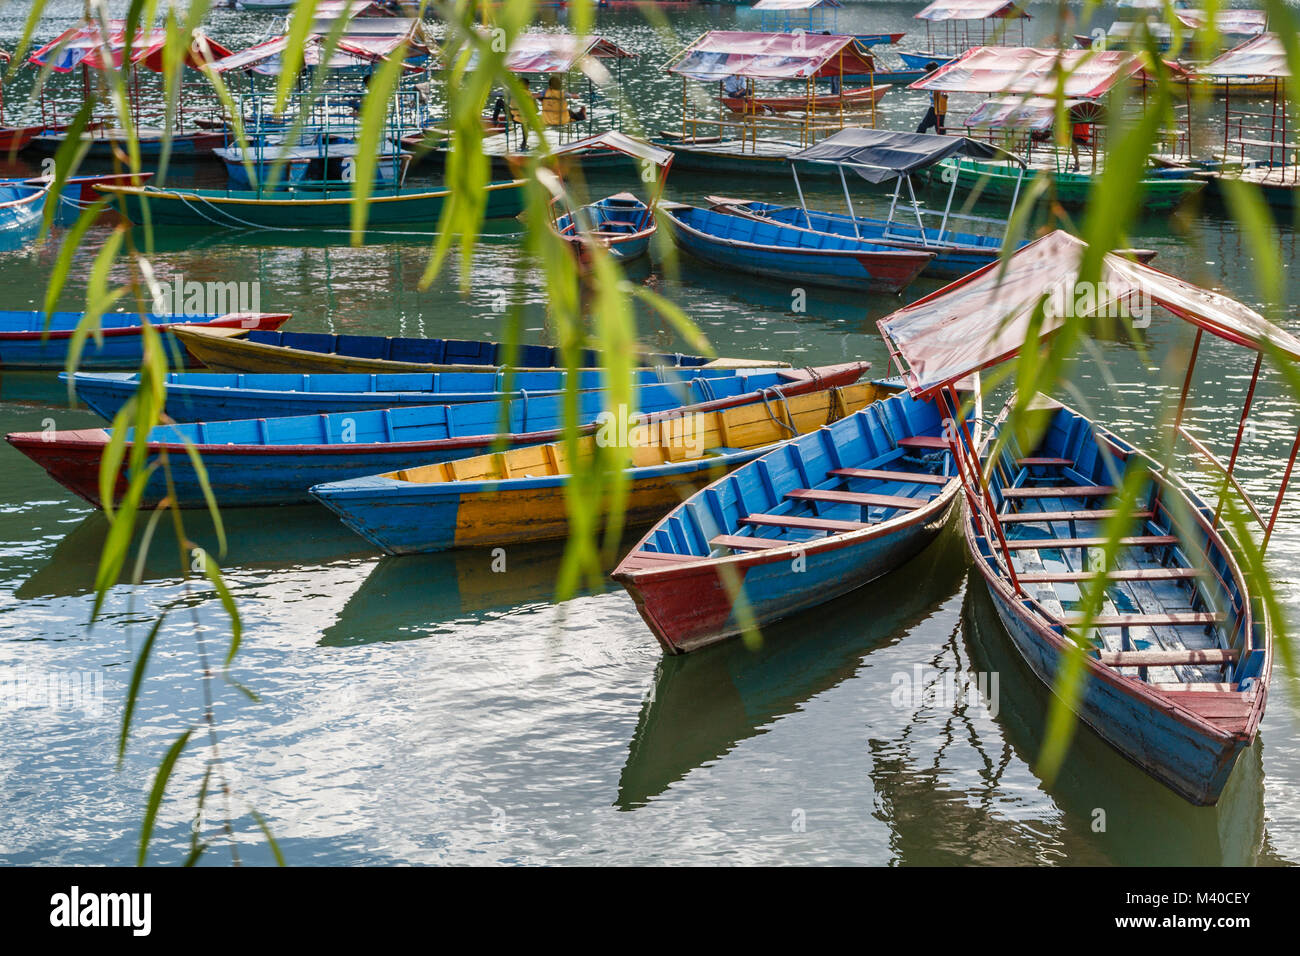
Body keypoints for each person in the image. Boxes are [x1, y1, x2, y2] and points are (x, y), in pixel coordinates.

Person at [915, 64, 947, 134]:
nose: (927, 74)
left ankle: (917, 138)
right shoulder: (933, 79)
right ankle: (943, 138)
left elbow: (944, 94)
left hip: (936, 107)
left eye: (928, 72)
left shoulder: (938, 80)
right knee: (939, 126)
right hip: (940, 107)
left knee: (923, 126)